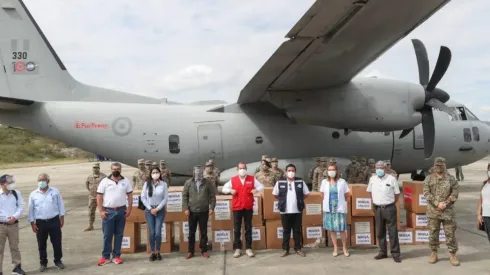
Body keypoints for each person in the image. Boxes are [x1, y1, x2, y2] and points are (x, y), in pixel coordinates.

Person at [423, 157, 460, 266]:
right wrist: (436, 203)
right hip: (433, 211)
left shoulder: (451, 179)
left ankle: (452, 255)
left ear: (444, 165)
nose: (439, 167)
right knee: (433, 233)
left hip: (448, 212)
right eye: (437, 165)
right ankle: (434, 253)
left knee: (450, 234)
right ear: (434, 165)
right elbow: (426, 193)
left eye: (441, 165)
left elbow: (455, 193)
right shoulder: (429, 178)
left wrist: (445, 204)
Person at [222, 162, 264, 258]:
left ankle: (248, 248)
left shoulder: (251, 179)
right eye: (240, 168)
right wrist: (230, 190)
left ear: (246, 168)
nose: (242, 170)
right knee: (237, 229)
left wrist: (256, 190)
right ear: (237, 169)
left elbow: (261, 186)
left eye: (244, 168)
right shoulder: (233, 180)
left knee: (248, 228)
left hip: (248, 207)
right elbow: (224, 188)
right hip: (237, 207)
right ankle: (237, 249)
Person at [96, 162, 133, 266]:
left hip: (121, 211)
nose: (115, 170)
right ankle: (105, 257)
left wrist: (129, 208)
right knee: (107, 235)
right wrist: (101, 210)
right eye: (114, 169)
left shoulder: (126, 181)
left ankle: (116, 256)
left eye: (117, 168)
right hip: (109, 211)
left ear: (120, 169)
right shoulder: (105, 181)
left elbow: (130, 195)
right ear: (111, 170)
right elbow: (99, 197)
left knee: (119, 235)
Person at [27, 173, 66, 271]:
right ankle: (43, 263)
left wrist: (62, 217)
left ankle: (58, 261)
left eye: (43, 180)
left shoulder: (55, 191)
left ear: (48, 181)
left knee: (57, 242)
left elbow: (60, 204)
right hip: (41, 222)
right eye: (39, 180)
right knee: (41, 244)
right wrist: (32, 223)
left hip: (54, 220)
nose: (41, 182)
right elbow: (30, 210)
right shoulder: (33, 194)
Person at [367, 161, 401, 263]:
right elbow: (370, 192)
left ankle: (395, 254)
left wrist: (389, 202)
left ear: (385, 169)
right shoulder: (372, 179)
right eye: (377, 167)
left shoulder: (392, 179)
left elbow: (397, 194)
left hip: (389, 208)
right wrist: (375, 202)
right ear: (375, 168)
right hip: (377, 208)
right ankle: (382, 252)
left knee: (392, 232)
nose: (379, 169)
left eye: (381, 167)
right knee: (380, 232)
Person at [272, 164, 310, 257]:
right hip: (284, 211)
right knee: (286, 231)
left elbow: (306, 194)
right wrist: (282, 201)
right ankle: (285, 249)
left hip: (297, 210)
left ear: (295, 172)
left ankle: (298, 248)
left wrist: (299, 200)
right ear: (285, 172)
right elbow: (275, 194)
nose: (291, 172)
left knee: (297, 230)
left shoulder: (300, 181)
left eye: (293, 170)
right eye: (289, 170)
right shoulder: (280, 182)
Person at [182, 166, 217, 259]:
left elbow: (212, 196)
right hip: (192, 211)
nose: (198, 174)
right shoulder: (188, 183)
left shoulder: (208, 183)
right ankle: (190, 251)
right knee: (191, 232)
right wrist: (185, 208)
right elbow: (185, 196)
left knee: (204, 232)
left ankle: (204, 250)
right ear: (193, 173)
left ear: (202, 173)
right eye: (196, 172)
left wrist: (212, 208)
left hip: (204, 211)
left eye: (200, 172)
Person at [320, 165, 350, 257]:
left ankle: (344, 247)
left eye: (333, 169)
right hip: (329, 208)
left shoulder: (342, 182)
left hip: (339, 207)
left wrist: (343, 202)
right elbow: (321, 194)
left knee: (341, 229)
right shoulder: (324, 182)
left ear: (337, 171)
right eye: (329, 170)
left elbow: (348, 193)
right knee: (332, 229)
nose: (331, 171)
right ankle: (335, 248)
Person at [141, 167, 168, 262]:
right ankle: (152, 252)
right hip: (149, 210)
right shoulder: (147, 184)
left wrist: (157, 209)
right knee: (152, 232)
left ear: (160, 173)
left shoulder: (163, 184)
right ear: (150, 174)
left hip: (159, 210)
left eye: (157, 172)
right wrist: (150, 208)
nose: (155, 174)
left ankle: (158, 251)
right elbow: (143, 197)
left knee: (158, 232)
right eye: (153, 172)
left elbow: (165, 198)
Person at [0, 175, 26, 275]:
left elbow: (21, 206)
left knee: (15, 247)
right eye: (9, 182)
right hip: (1, 225)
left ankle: (17, 267)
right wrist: (7, 218)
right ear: (2, 184)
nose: (12, 184)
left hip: (14, 225)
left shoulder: (16, 193)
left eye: (12, 182)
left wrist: (14, 216)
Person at [85, 162, 106, 232]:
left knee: (104, 211)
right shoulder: (89, 177)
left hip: (101, 197)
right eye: (94, 168)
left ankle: (105, 225)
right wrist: (92, 192)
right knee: (91, 211)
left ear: (99, 168)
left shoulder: (104, 177)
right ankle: (91, 225)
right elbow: (87, 186)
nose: (95, 169)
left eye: (97, 168)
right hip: (92, 197)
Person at [477, 163, 490, 242]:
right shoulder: (485, 183)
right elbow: (481, 200)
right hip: (486, 215)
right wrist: (479, 214)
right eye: (489, 170)